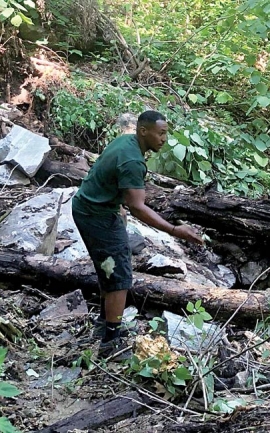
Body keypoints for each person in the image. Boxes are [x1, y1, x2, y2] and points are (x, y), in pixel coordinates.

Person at [72, 110, 203, 357]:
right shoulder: (132, 160)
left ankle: (103, 325)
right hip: (96, 215)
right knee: (119, 276)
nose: (164, 139)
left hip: (90, 207)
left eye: (166, 133)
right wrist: (175, 230)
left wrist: (117, 205)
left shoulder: (125, 141)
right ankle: (112, 341)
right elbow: (138, 206)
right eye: (161, 133)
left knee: (108, 268)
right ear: (143, 131)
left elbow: (108, 176)